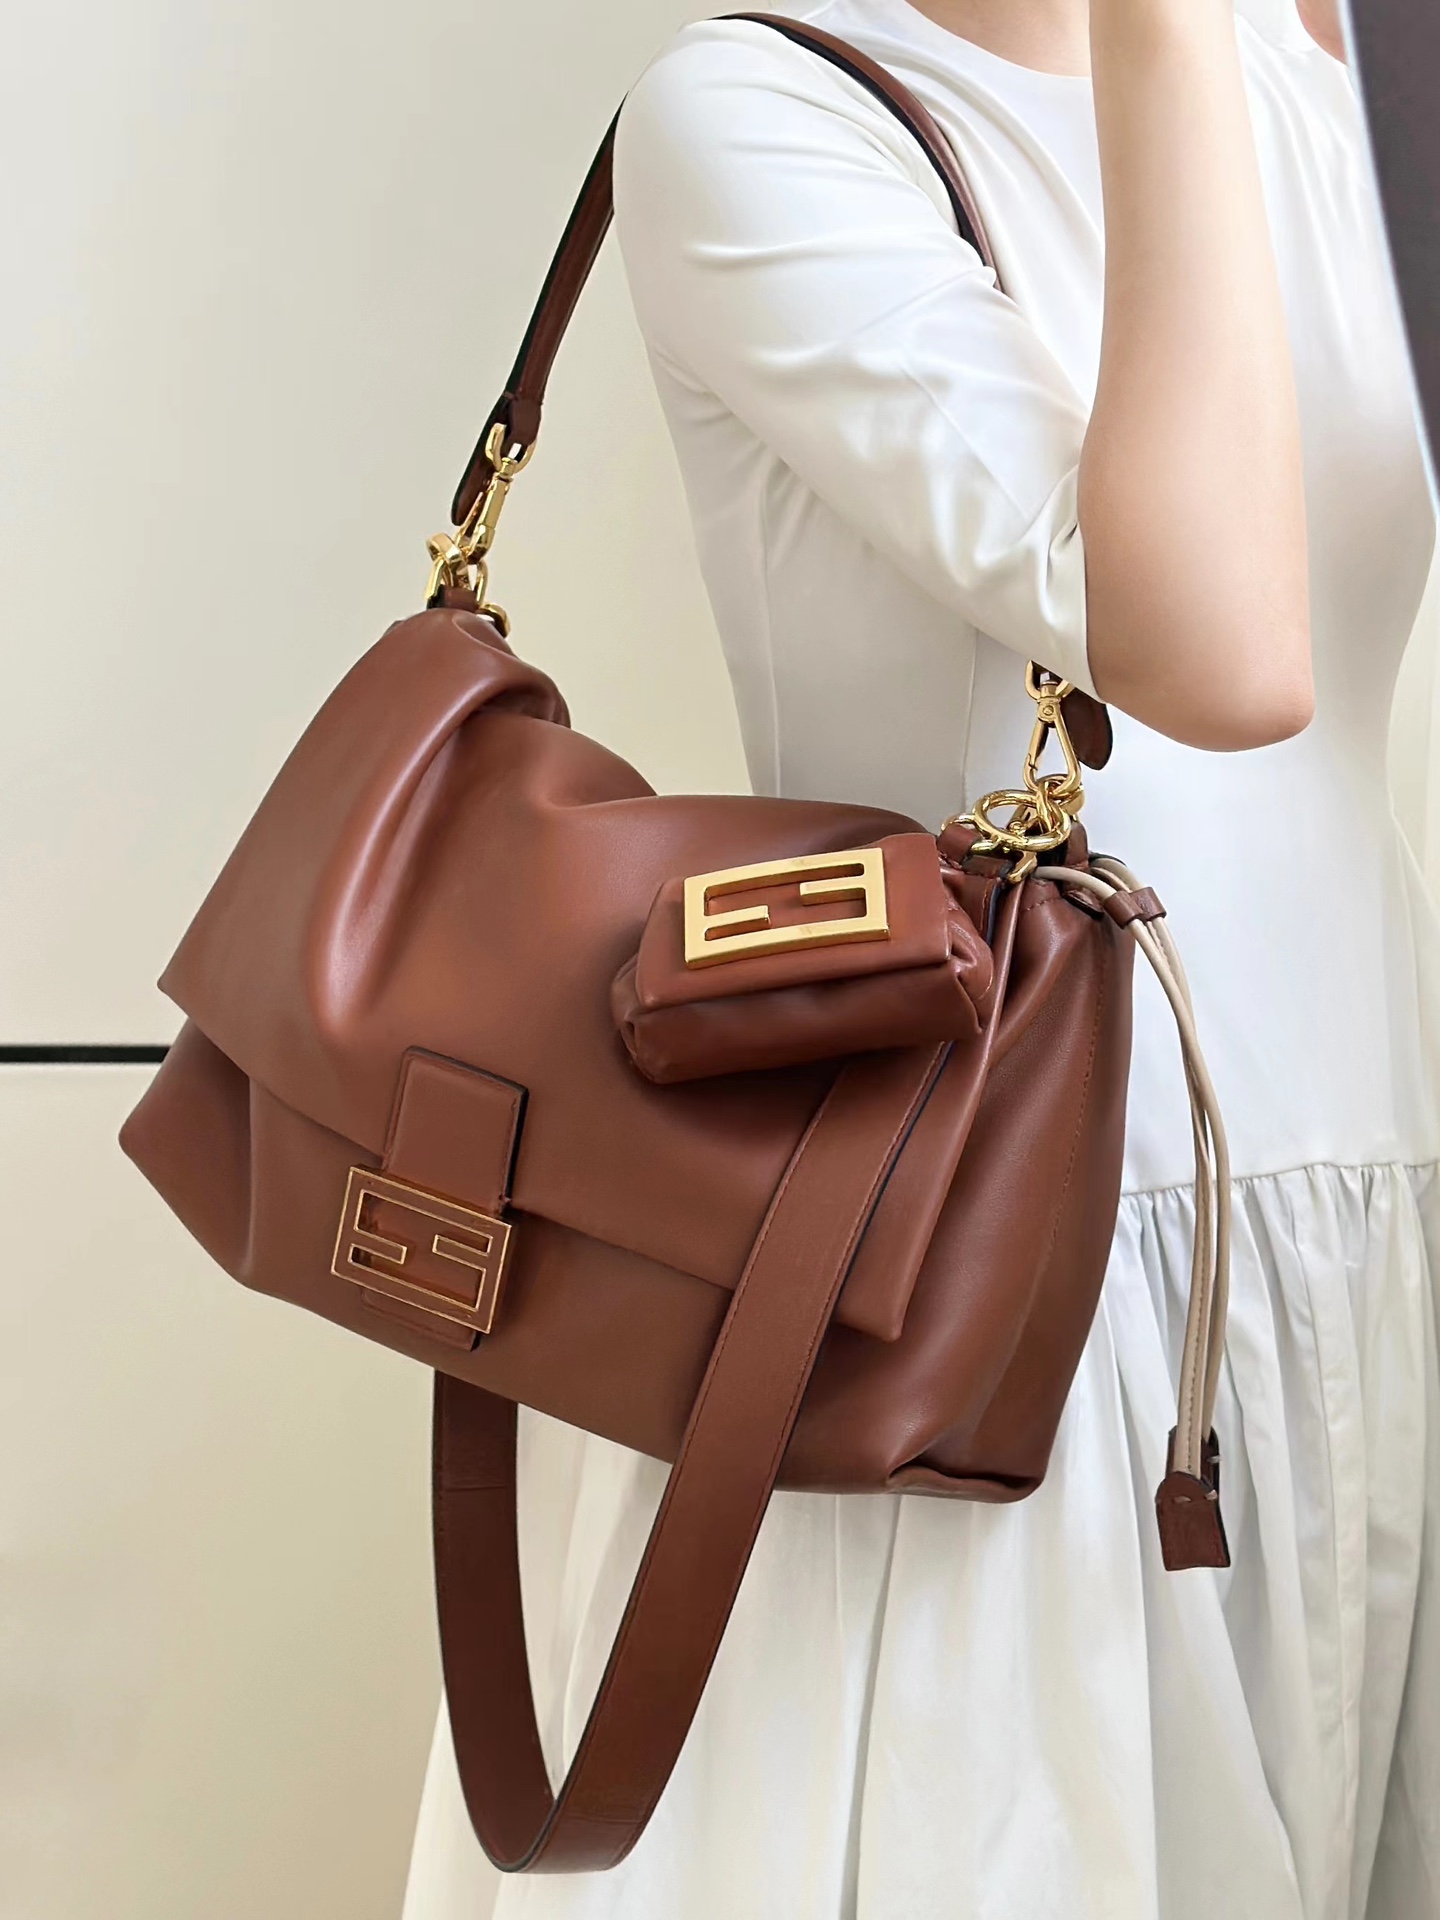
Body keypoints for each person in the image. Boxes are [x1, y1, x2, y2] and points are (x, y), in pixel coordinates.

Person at [403, 0, 1440, 1913]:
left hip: (1367, 1250)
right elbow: (1219, 651)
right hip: (1001, 1321)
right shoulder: (762, 114)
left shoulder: (1359, 81)